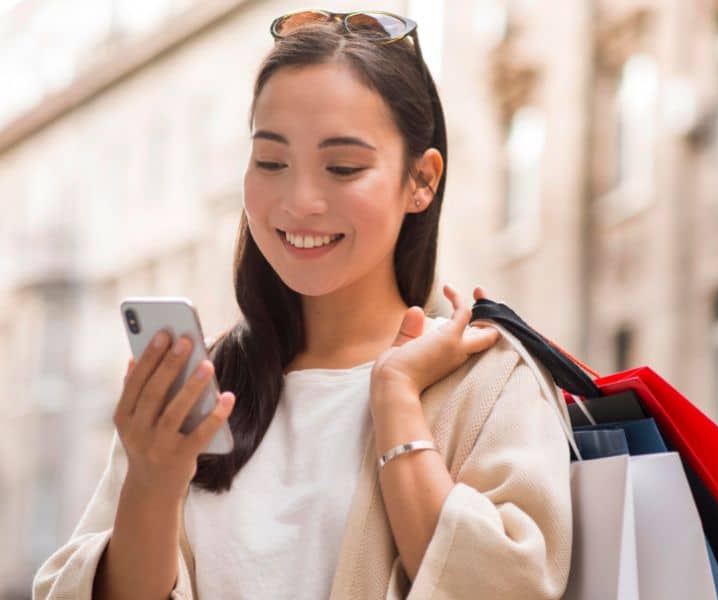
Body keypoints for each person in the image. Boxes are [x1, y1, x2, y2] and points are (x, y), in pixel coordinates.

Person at [33, 9, 572, 599]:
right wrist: (153, 480)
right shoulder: (202, 386)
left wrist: (396, 400)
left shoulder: (489, 384)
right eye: (271, 162)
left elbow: (510, 586)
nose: (300, 201)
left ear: (421, 180)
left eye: (343, 167)